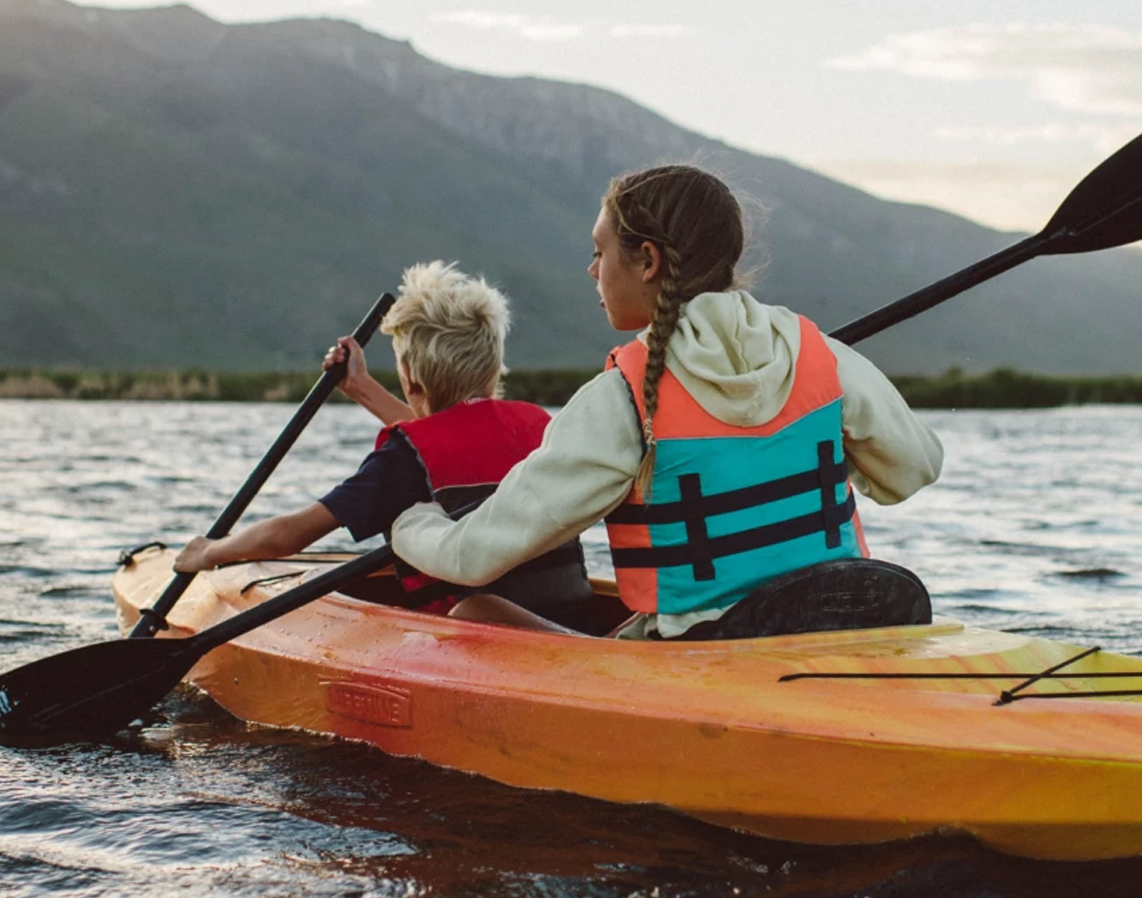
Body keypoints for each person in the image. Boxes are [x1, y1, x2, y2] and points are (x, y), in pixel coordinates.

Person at [391, 164, 944, 639]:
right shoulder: (821, 354)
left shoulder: (622, 398)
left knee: (479, 610)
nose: (592, 270)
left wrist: (410, 523)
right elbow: (913, 471)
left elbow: (472, 557)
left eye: (599, 251)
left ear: (648, 260)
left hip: (707, 652)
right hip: (847, 625)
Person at [173, 261, 592, 632]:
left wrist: (211, 551)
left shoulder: (403, 459)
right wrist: (360, 388)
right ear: (493, 366)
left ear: (410, 379)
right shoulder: (539, 427)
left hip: (486, 638)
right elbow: (453, 441)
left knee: (472, 608)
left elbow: (288, 536)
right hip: (571, 617)